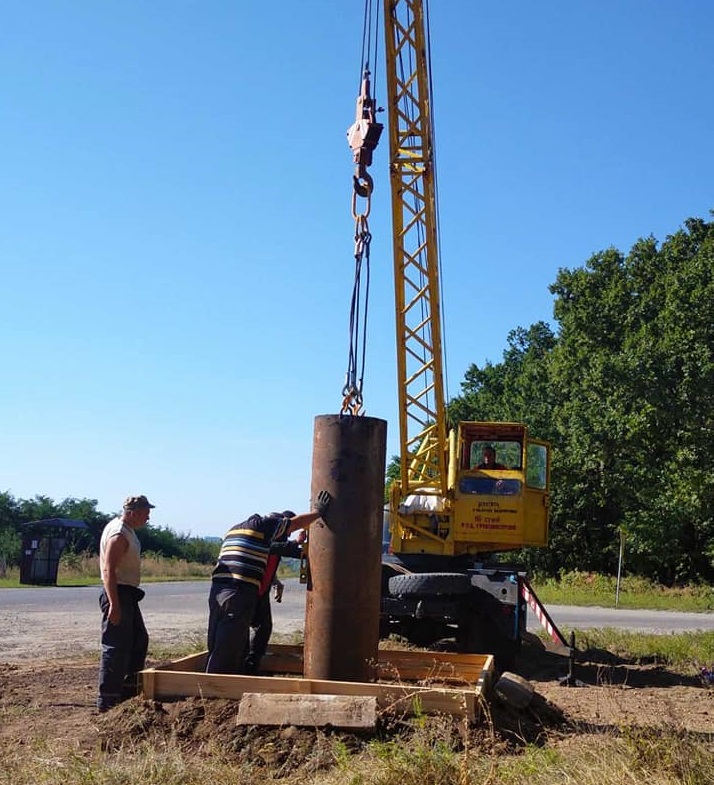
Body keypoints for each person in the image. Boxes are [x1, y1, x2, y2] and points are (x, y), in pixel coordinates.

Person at [205, 491, 332, 674]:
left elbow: (272, 550)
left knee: (220, 639)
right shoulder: (266, 524)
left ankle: (224, 676)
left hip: (219, 590)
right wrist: (318, 512)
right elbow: (295, 524)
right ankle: (218, 686)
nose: (285, 535)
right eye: (284, 531)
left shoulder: (237, 529)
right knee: (230, 642)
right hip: (240, 591)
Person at [97, 494, 154, 712]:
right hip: (118, 593)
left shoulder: (126, 531)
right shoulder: (119, 534)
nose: (148, 518)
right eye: (145, 513)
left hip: (126, 594)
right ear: (133, 513)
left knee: (138, 640)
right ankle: (109, 700)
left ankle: (128, 692)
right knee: (116, 646)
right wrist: (114, 604)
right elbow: (108, 570)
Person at [243, 523, 305, 674]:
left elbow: (278, 558)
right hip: (248, 590)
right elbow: (275, 547)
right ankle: (240, 666)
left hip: (261, 592)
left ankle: (251, 666)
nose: (289, 535)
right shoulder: (266, 540)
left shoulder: (281, 543)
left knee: (264, 628)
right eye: (289, 530)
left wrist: (276, 581)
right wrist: (296, 542)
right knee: (242, 627)